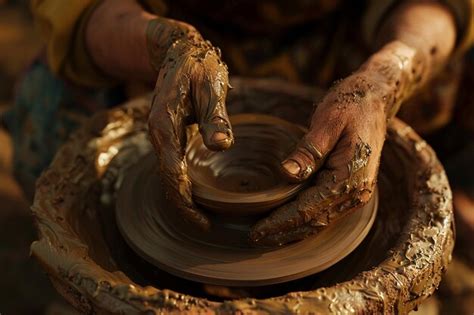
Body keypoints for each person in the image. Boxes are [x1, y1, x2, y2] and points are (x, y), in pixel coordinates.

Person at [2, 0, 473, 247]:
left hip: (342, 41)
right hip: (163, 35)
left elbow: (440, 5)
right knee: (49, 104)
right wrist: (166, 47)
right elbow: (80, 7)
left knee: (428, 97)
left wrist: (381, 80)